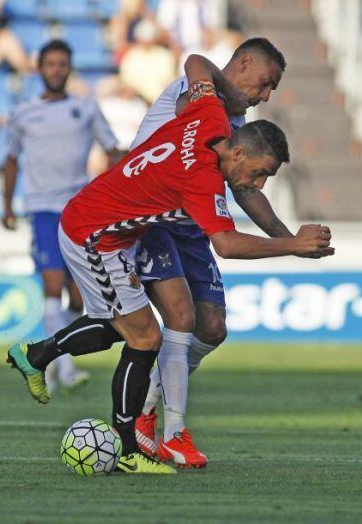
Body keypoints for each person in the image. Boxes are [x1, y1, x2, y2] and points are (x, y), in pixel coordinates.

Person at [5, 59, 334, 474]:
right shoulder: (200, 180)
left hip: (109, 230)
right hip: (93, 234)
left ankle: (36, 355)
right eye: (260, 173)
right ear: (237, 152)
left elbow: (195, 63)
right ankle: (127, 451)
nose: (259, 184)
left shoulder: (209, 112)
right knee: (144, 338)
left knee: (123, 326)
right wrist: (291, 245)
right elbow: (227, 245)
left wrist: (228, 94)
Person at [129, 38, 301, 468]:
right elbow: (196, 62)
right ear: (244, 62)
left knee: (212, 327)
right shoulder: (197, 96)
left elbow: (243, 189)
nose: (264, 96)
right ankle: (172, 432)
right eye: (265, 84)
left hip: (189, 223)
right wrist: (226, 93)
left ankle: (147, 408)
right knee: (181, 318)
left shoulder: (237, 121)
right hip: (151, 216)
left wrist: (289, 239)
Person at [1, 40, 120, 393]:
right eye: (50, 63)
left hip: (79, 210)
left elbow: (113, 151)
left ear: (69, 68)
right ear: (39, 68)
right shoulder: (24, 112)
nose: (55, 70)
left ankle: (46, 358)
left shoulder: (85, 108)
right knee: (52, 286)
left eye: (61, 64)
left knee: (79, 299)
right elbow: (10, 159)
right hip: (42, 209)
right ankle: (65, 369)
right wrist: (7, 205)